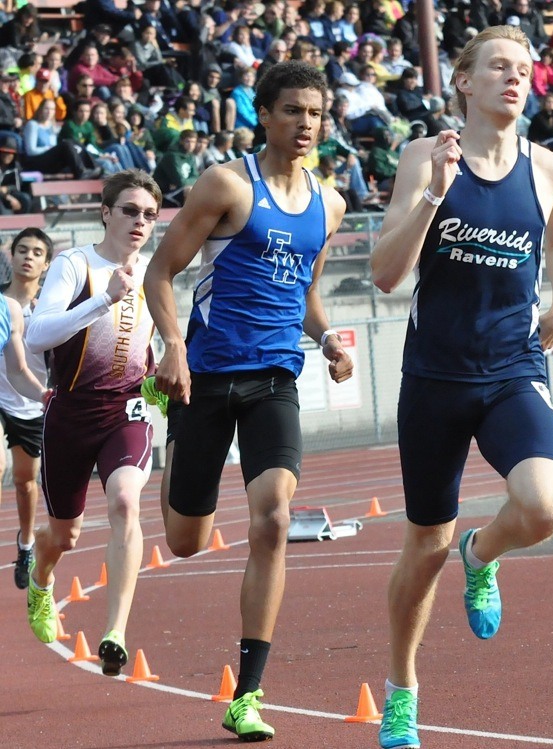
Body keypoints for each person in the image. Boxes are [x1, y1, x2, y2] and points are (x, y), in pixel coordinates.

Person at [370, 25, 553, 749]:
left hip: (512, 370)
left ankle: (482, 555)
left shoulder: (547, 168)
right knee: (424, 545)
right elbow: (385, 275)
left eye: (524, 68)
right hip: (433, 378)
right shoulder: (423, 158)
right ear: (463, 81)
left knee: (547, 504)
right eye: (498, 66)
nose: (514, 78)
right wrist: (432, 196)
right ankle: (402, 691)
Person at [144, 60, 353, 742]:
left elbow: (309, 298)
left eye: (315, 114)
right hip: (203, 379)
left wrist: (327, 341)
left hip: (274, 379)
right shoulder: (227, 184)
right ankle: (174, 466)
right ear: (263, 114)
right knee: (185, 541)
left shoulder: (330, 203)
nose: (305, 124)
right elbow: (161, 271)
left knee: (274, 519)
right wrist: (172, 344)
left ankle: (248, 693)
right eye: (292, 111)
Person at [24, 169, 162, 678]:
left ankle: (115, 632)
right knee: (65, 535)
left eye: (149, 214)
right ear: (105, 212)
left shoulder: (153, 270)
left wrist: (165, 375)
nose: (140, 222)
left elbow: (158, 339)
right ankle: (41, 580)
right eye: (129, 210)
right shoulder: (74, 264)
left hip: (125, 409)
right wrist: (102, 298)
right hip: (70, 412)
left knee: (126, 500)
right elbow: (38, 334)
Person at [0, 228, 53, 589]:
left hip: (31, 401)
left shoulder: (51, 307)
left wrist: (47, 395)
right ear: (11, 256)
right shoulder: (3, 305)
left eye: (36, 252)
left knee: (24, 482)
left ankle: (26, 542)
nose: (28, 257)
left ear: (46, 263)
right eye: (21, 250)